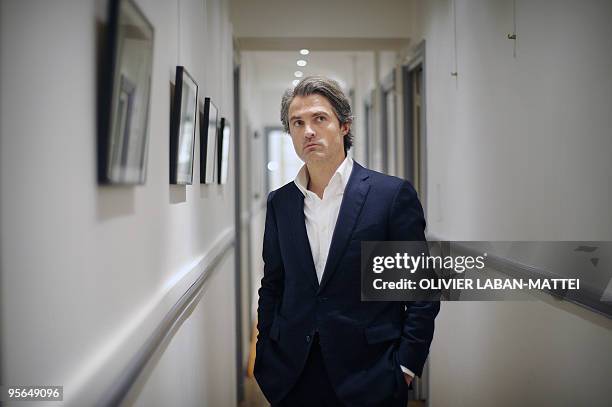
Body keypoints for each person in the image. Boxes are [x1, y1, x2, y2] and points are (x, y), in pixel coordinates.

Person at [254, 75, 440, 406]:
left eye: (319, 118)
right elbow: (273, 285)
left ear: (344, 126)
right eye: (297, 123)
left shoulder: (390, 196)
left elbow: (420, 292)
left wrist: (406, 366)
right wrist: (265, 353)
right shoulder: (279, 203)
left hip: (370, 374)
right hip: (293, 373)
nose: (308, 130)